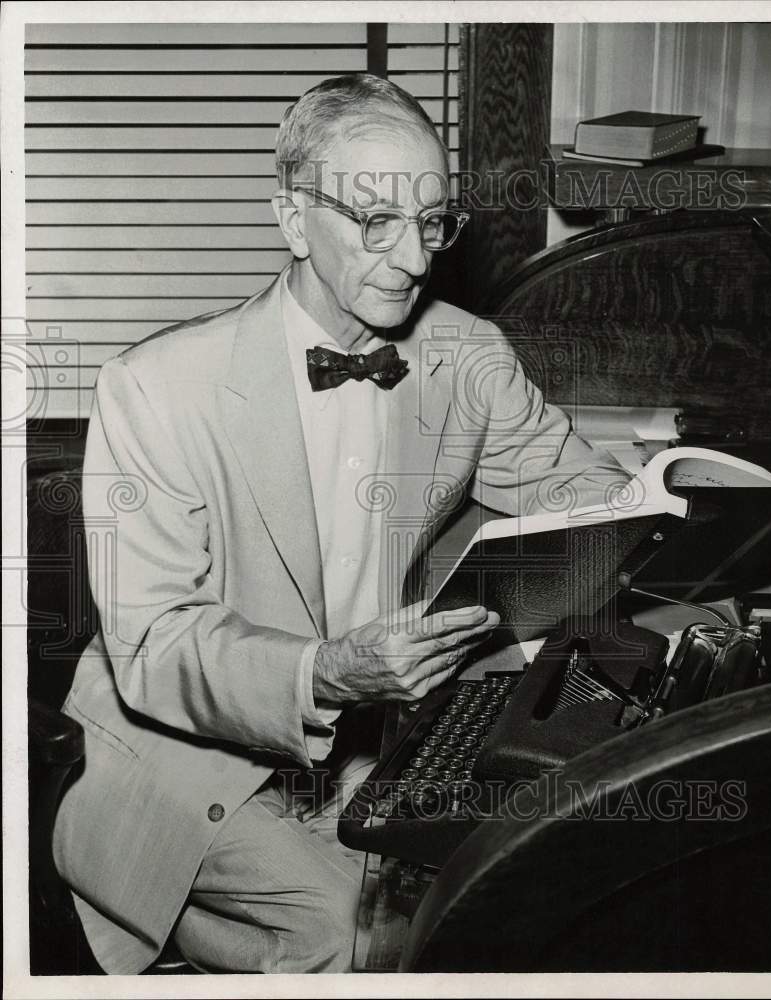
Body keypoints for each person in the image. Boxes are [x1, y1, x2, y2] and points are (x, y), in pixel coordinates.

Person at [52, 74, 629, 974]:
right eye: (376, 221)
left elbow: (585, 492)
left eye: (433, 222)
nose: (413, 258)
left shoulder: (466, 354)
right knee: (350, 933)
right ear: (293, 220)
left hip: (375, 744)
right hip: (182, 754)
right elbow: (155, 647)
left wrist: (682, 490)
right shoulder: (155, 387)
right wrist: (327, 671)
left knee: (492, 895)